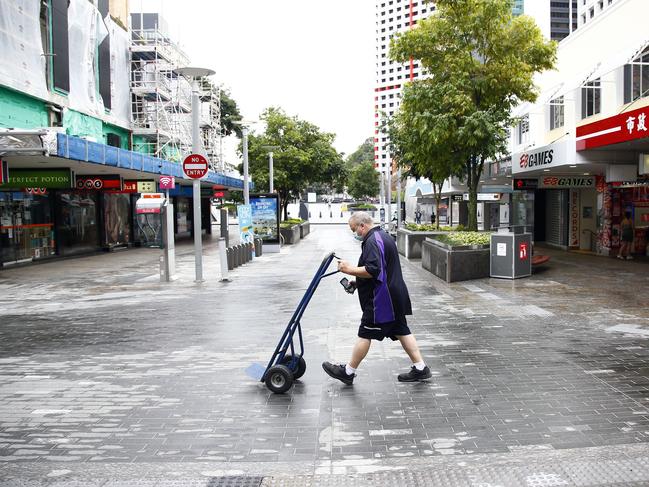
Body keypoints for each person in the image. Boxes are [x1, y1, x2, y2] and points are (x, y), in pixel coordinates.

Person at [322, 211, 432, 384]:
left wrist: (348, 269)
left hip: (382, 299)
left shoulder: (372, 241)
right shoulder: (383, 236)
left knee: (365, 332)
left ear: (362, 226)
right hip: (393, 294)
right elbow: (381, 269)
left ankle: (348, 372)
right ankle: (420, 368)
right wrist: (357, 282)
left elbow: (373, 270)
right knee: (401, 329)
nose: (355, 234)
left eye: (354, 230)